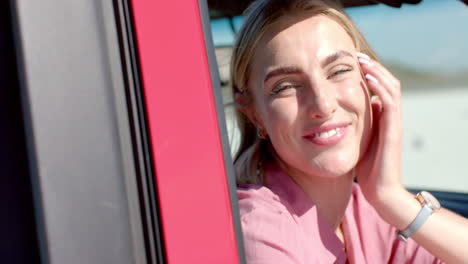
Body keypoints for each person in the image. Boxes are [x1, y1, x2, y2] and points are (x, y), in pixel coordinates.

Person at [230, 0, 468, 263]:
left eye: (339, 71)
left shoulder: (365, 211)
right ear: (254, 114)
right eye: (285, 86)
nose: (324, 104)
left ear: (372, 83)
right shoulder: (257, 231)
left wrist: (392, 197)